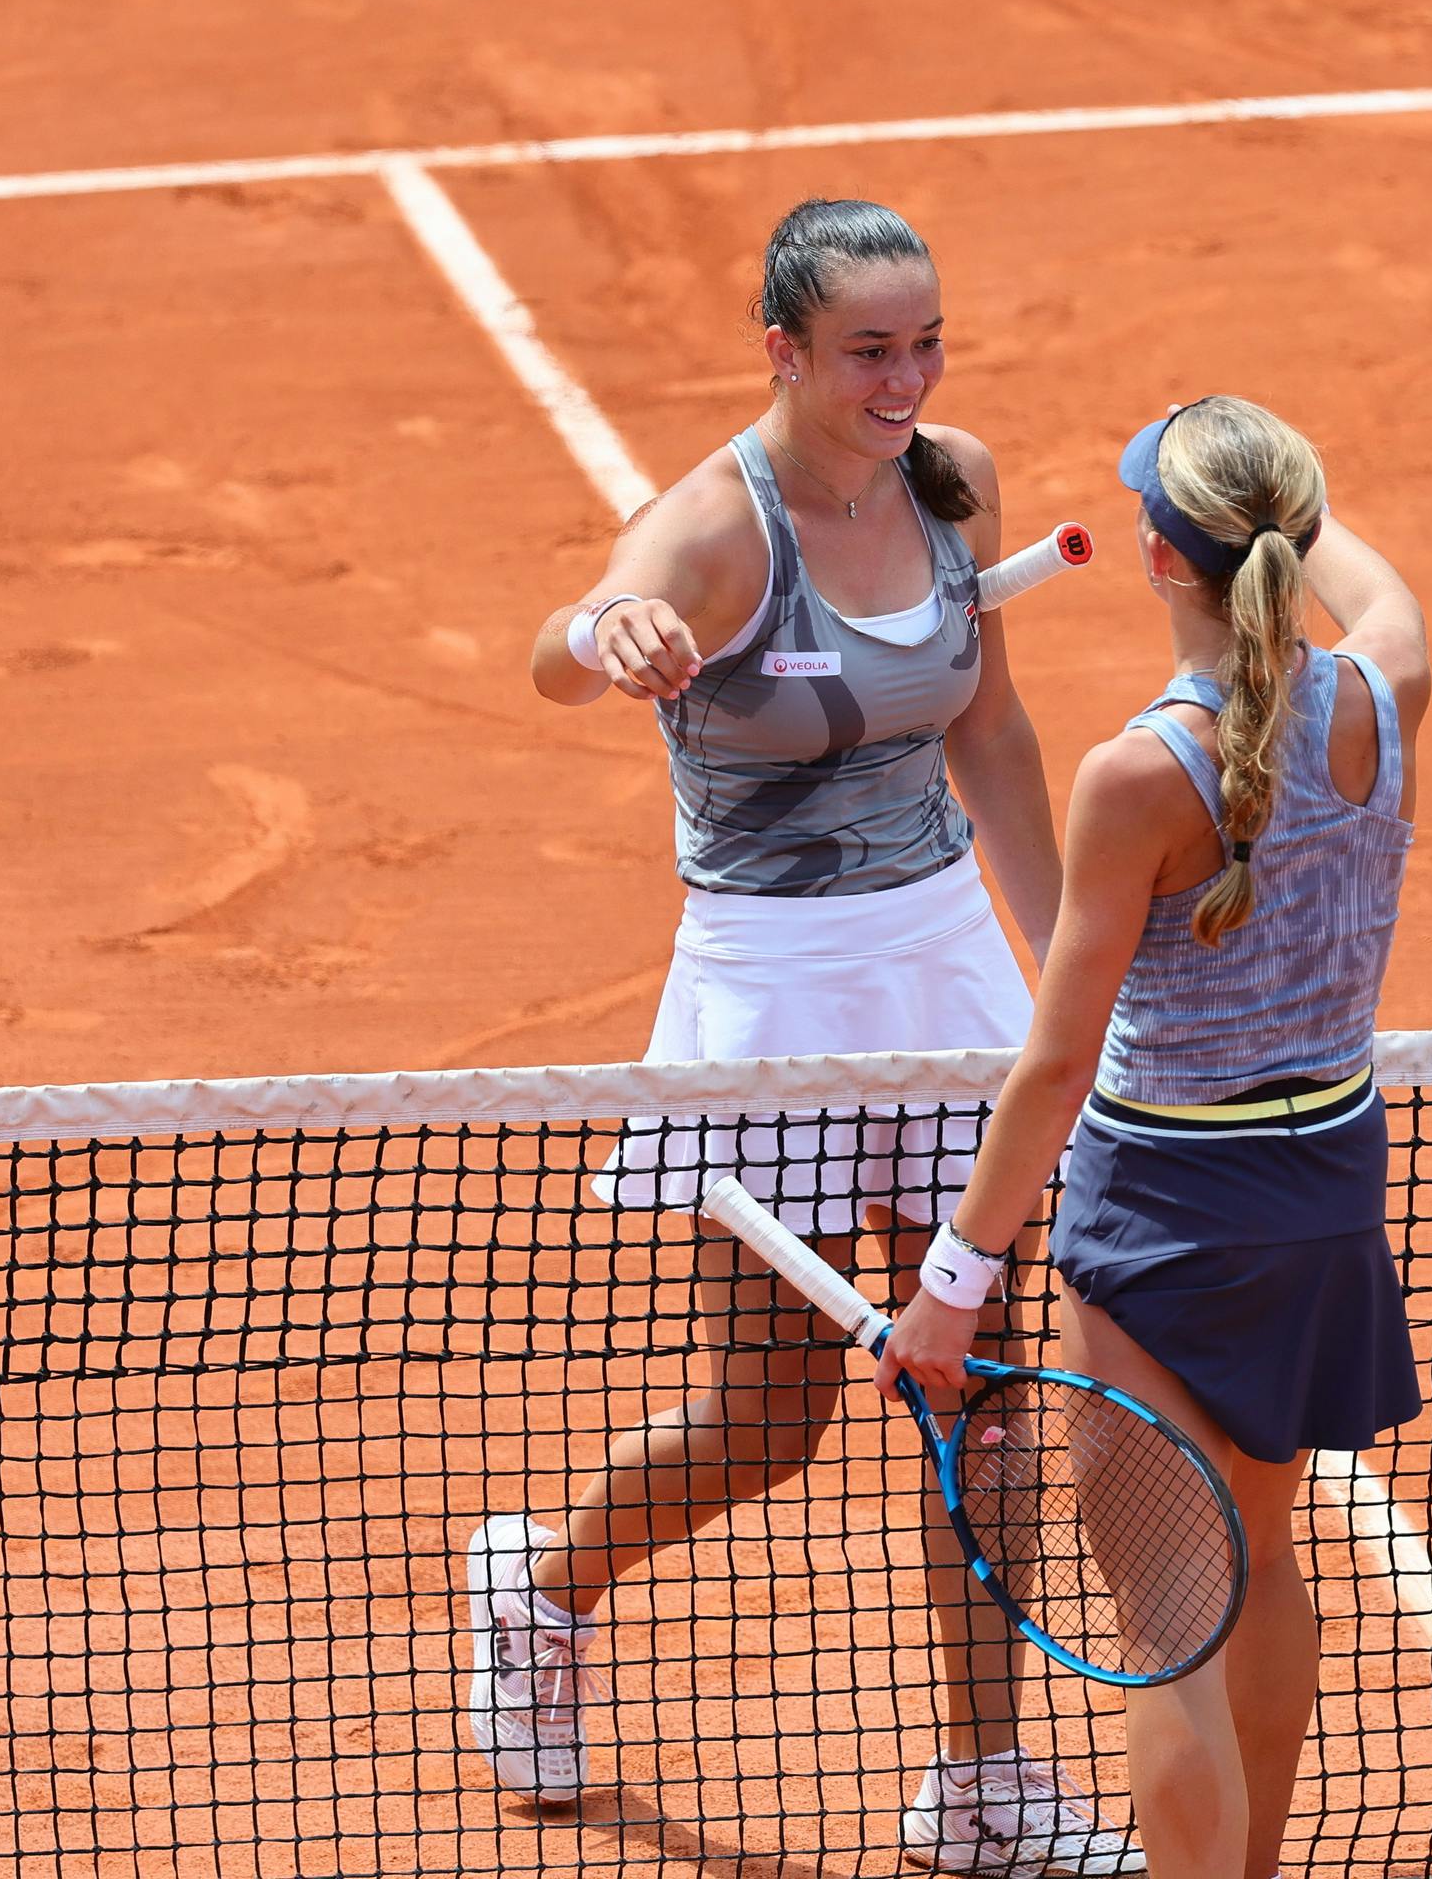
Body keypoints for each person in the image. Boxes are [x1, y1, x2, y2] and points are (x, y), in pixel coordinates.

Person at [466, 198, 1138, 1876]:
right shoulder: (712, 528)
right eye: (866, 352)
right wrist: (600, 633)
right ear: (781, 350)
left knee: (974, 1388)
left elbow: (989, 728)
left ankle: (985, 1779)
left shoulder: (948, 479)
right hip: (769, 996)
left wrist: (1072, 969)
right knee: (772, 1421)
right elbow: (560, 655)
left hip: (939, 977)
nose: (904, 379)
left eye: (924, 344)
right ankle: (540, 1587)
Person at [878, 397, 1430, 1879]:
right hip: (1326, 1199)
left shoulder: (1139, 777)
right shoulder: (1388, 692)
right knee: (1262, 1571)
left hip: (1167, 1217)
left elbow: (1059, 1062)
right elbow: (1382, 599)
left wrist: (953, 1280)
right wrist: (1292, 513)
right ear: (1287, 542)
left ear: (1152, 557)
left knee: (1173, 1623)